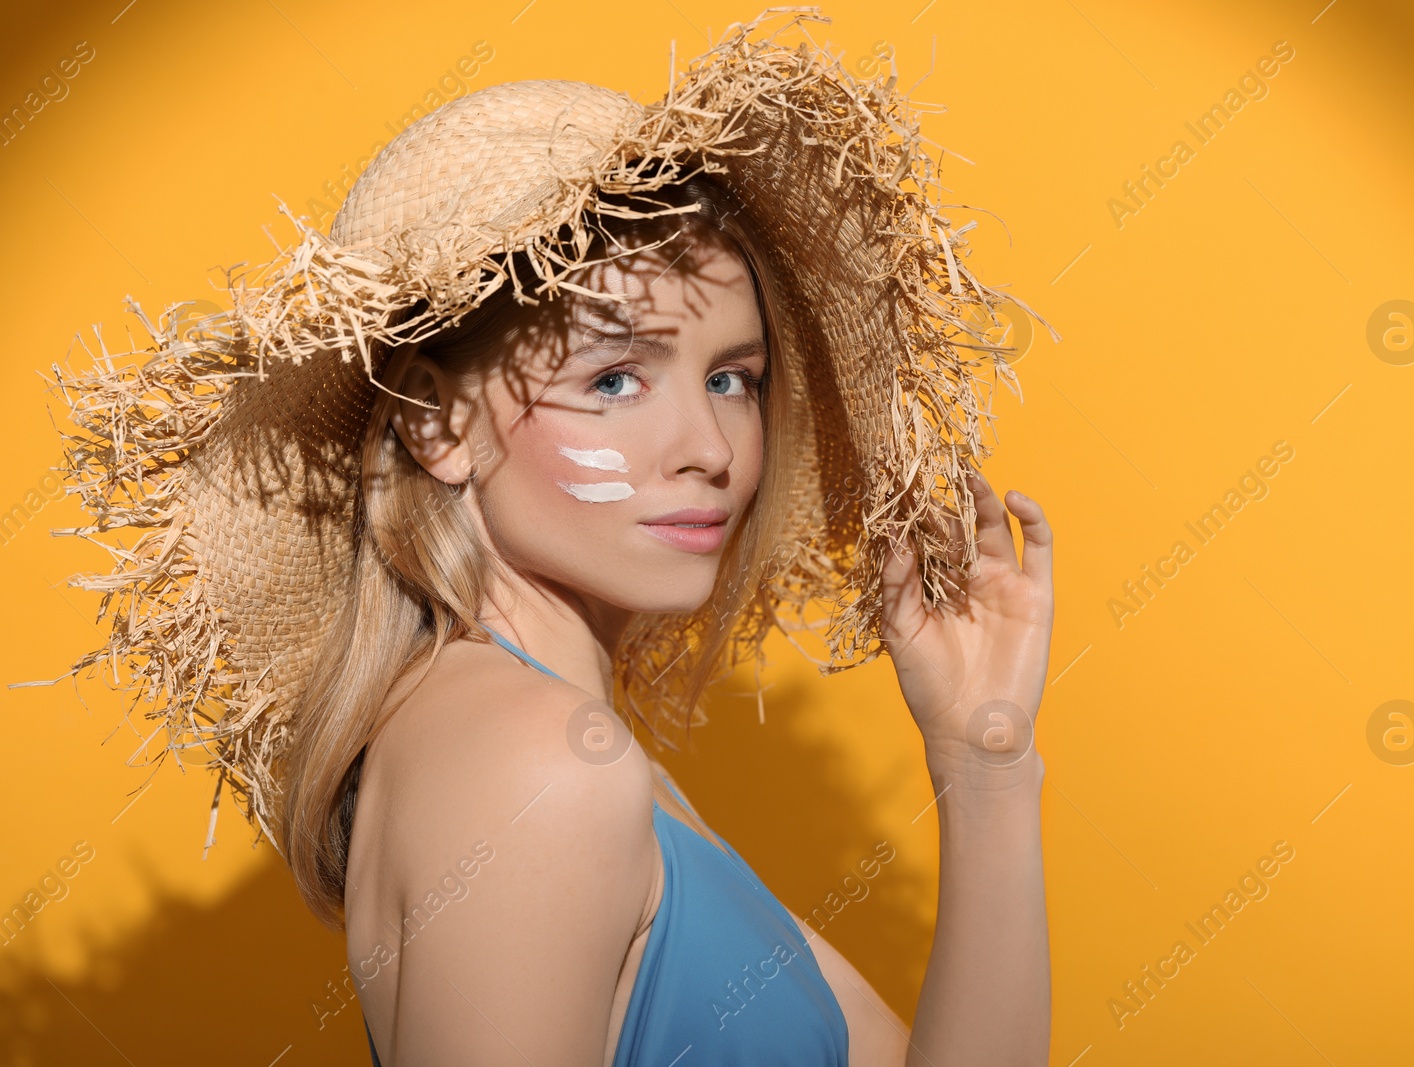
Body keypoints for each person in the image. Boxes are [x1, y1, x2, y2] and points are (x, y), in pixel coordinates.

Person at [36, 11, 1055, 1066]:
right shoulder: (542, 768)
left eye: (730, 378)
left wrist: (983, 757)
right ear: (439, 425)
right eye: (614, 378)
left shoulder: (561, 745)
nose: (708, 444)